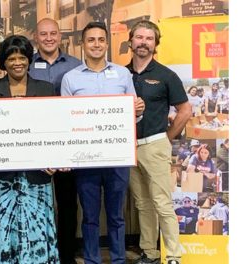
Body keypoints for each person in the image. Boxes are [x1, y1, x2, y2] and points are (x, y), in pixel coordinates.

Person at [61, 22, 145, 264]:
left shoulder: (122, 74)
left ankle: (118, 260)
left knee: (117, 216)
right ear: (83, 44)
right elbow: (66, 118)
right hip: (85, 159)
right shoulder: (70, 78)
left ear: (107, 43)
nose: (96, 44)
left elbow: (133, 112)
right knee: (89, 216)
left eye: (100, 39)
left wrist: (138, 109)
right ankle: (92, 260)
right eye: (91, 40)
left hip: (117, 157)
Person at [0, 35, 59, 263]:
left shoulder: (45, 89)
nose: (17, 62)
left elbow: (55, 129)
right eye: (11, 58)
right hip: (1, 177)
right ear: (3, 62)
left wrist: (55, 159)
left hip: (38, 174)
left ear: (29, 60)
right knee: (2, 229)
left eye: (22, 57)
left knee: (37, 230)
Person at [126, 20, 191, 264]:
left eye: (149, 38)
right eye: (139, 37)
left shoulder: (166, 75)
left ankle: (173, 255)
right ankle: (150, 253)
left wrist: (167, 137)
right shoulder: (121, 74)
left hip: (155, 145)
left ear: (155, 44)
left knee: (162, 203)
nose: (143, 42)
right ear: (131, 41)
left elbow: (184, 111)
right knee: (142, 204)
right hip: (129, 147)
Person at [28, 18, 81, 264]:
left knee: (68, 202)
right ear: (36, 37)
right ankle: (41, 254)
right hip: (34, 143)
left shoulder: (76, 66)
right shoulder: (26, 65)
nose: (48, 38)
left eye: (53, 33)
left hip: (66, 144)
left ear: (60, 36)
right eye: (43, 34)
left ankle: (67, 255)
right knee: (37, 203)